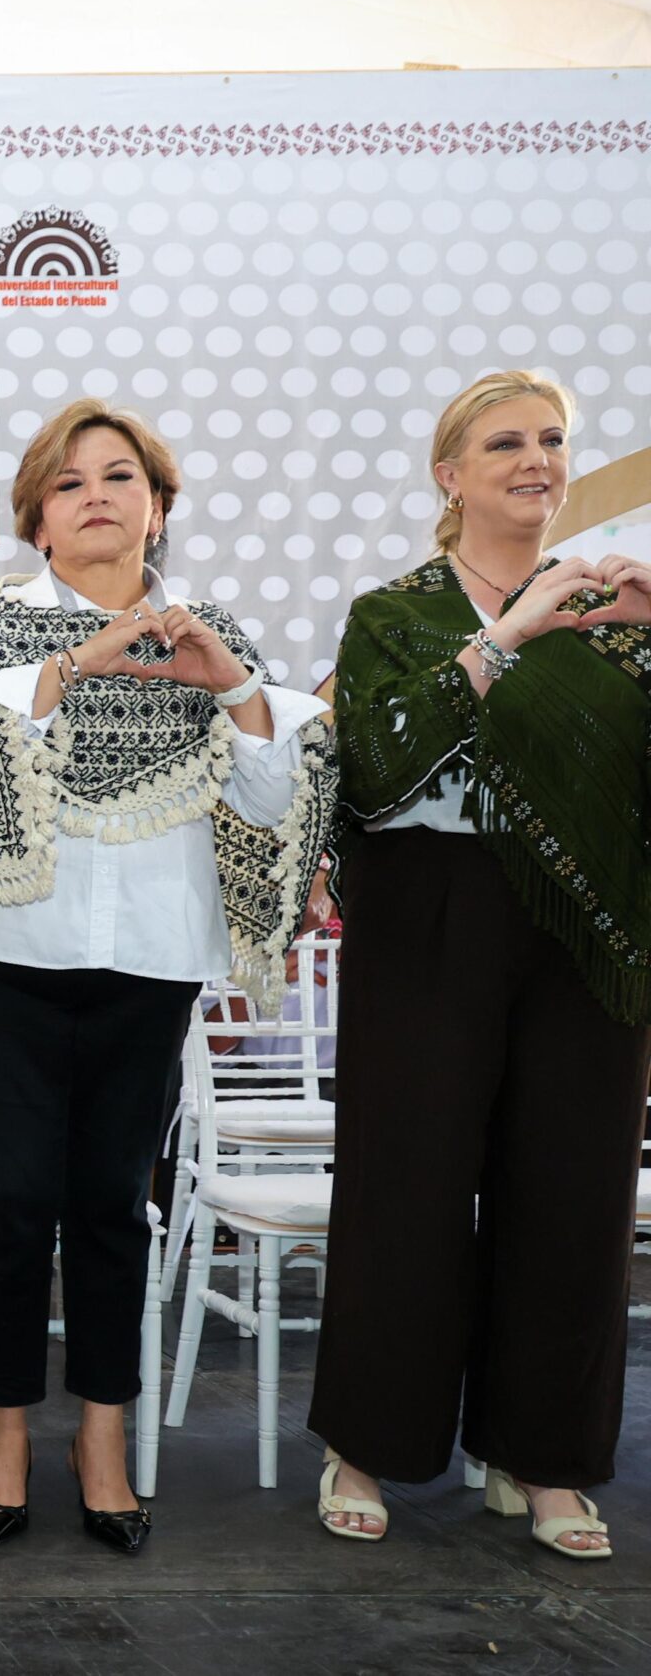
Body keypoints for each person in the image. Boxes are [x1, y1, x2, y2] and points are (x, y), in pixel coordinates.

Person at [0, 399, 336, 1553]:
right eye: (68, 482)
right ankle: (3, 1431)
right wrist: (75, 664)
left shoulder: (211, 633)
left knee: (111, 1205)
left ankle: (102, 1434)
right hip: (11, 951)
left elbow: (266, 806)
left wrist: (235, 690)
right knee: (11, 1206)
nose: (96, 495)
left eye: (120, 477)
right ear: (36, 520)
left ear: (157, 507)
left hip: (152, 958)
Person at [308, 370, 651, 1559]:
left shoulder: (619, 607)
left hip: (585, 924)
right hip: (429, 911)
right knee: (405, 1187)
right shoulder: (395, 613)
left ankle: (542, 1458)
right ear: (448, 476)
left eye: (552, 441)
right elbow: (379, 762)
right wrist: (507, 636)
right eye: (504, 442)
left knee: (573, 1190)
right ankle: (366, 1445)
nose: (535, 460)